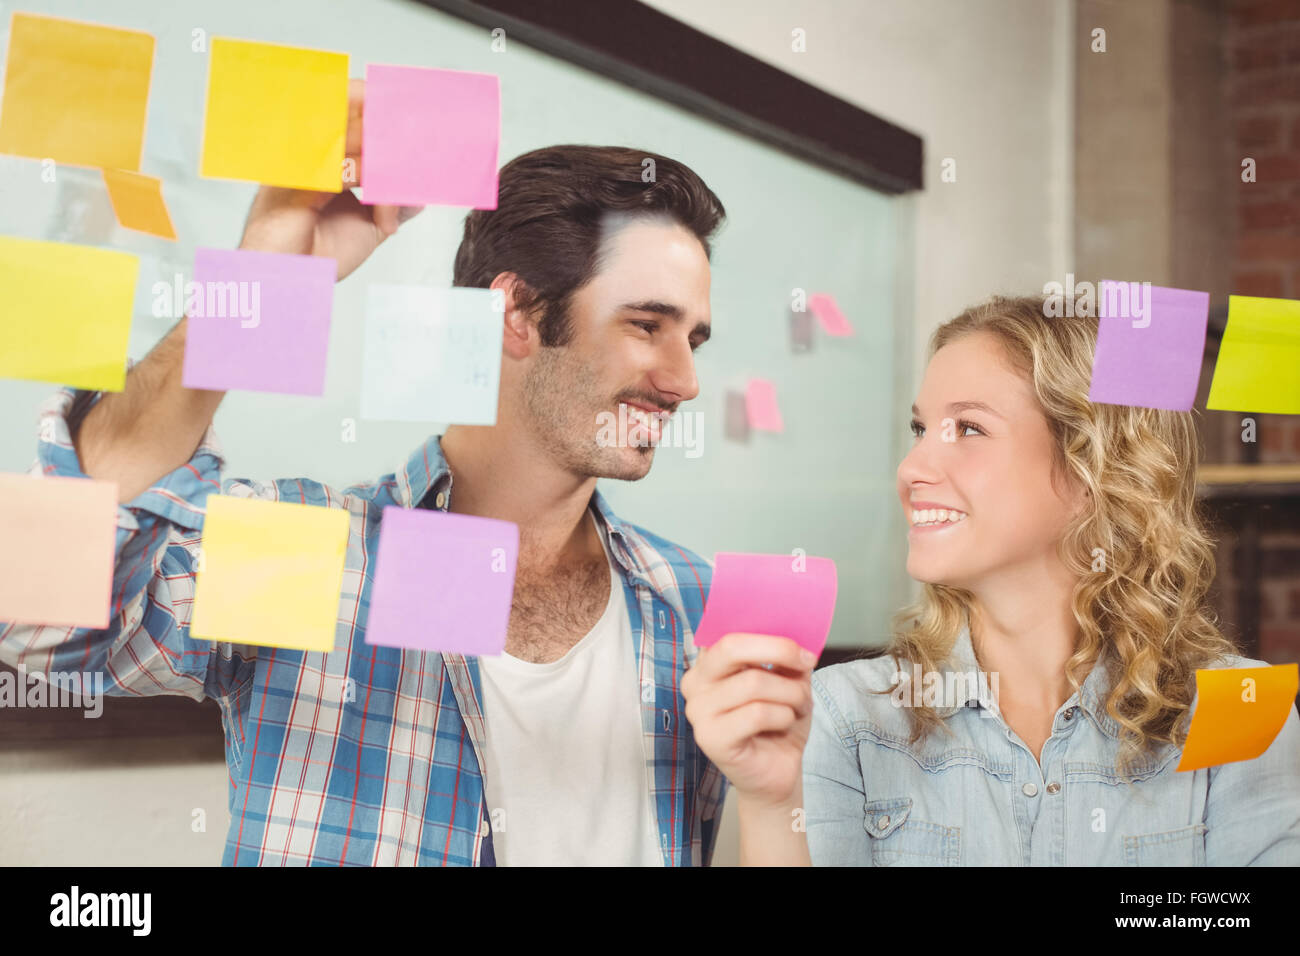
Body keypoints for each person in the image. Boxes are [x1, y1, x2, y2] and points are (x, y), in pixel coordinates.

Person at [0, 81, 729, 866]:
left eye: (695, 338)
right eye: (648, 325)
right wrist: (255, 287)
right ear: (517, 314)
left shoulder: (690, 602)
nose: (685, 380)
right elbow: (37, 614)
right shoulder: (311, 558)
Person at [683, 293, 1300, 865]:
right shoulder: (845, 716)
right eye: (920, 430)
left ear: (1090, 475)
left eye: (969, 429)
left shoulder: (1240, 708)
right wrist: (768, 802)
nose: (913, 467)